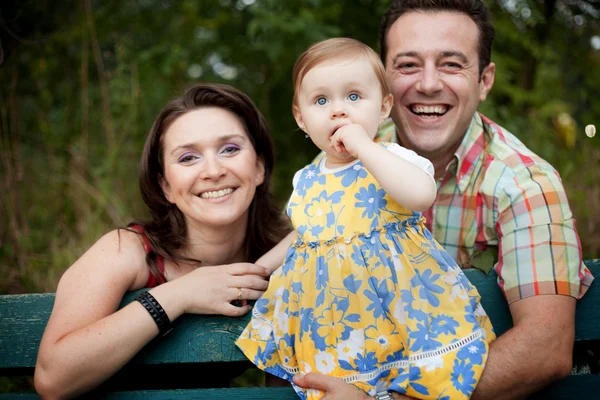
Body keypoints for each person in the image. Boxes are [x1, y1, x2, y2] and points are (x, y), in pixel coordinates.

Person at [292, 1, 595, 399]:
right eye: (407, 65)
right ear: (384, 81)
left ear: (485, 81)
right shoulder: (337, 159)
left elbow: (545, 348)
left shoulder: (525, 183)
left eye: (451, 64)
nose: (429, 84)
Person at [236, 37, 496, 400]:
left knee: (415, 376)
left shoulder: (391, 159)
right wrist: (261, 268)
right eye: (321, 101)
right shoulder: (306, 179)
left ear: (384, 106)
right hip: (335, 322)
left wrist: (365, 149)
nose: (339, 111)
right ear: (301, 118)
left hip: (398, 311)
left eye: (354, 97)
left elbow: (421, 196)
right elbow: (306, 233)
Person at [33, 83, 289, 399]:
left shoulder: (284, 258)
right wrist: (178, 295)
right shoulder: (127, 251)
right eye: (188, 158)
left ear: (260, 167)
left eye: (230, 149)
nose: (213, 170)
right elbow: (52, 378)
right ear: (165, 185)